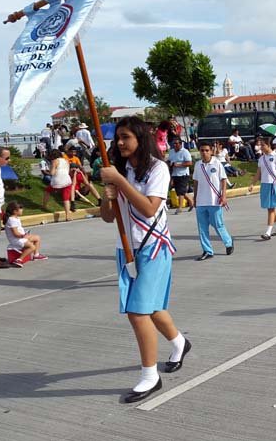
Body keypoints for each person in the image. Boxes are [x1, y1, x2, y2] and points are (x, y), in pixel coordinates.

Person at [99, 116, 190, 404]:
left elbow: (150, 209)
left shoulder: (157, 168)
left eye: (126, 137)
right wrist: (108, 195)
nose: (120, 142)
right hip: (126, 249)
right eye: (118, 137)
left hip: (153, 247)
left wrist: (120, 183)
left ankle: (150, 376)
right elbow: (108, 217)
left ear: (140, 138)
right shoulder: (120, 169)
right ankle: (180, 343)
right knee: (151, 309)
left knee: (138, 312)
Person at [192, 141, 234, 261]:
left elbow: (223, 180)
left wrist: (224, 196)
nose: (204, 153)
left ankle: (228, 242)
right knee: (202, 227)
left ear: (211, 151)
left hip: (214, 200)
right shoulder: (198, 165)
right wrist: (195, 198)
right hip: (201, 201)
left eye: (207, 150)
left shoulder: (217, 163)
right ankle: (207, 250)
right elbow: (196, 182)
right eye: (202, 150)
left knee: (218, 224)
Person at [247, 137, 276, 240]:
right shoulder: (261, 159)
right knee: (271, 207)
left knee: (271, 208)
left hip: (274, 184)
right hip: (265, 185)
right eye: (260, 145)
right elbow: (258, 173)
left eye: (263, 145)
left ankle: (268, 232)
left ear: (269, 145)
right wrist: (252, 184)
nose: (261, 147)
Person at [3, 202, 47, 267]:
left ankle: (36, 255)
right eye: (20, 208)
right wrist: (23, 235)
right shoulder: (12, 220)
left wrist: (25, 235)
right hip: (16, 240)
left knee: (37, 237)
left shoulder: (16, 218)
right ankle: (19, 260)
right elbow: (15, 233)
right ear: (15, 211)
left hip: (20, 238)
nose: (22, 210)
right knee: (32, 247)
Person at [41, 150, 75, 221]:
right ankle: (67, 216)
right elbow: (68, 171)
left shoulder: (54, 161)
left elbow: (52, 173)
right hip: (67, 180)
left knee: (47, 191)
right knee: (66, 198)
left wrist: (50, 170)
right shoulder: (66, 161)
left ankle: (44, 206)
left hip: (57, 181)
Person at [167, 139, 195, 215]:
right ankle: (191, 201)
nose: (175, 145)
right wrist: (168, 164)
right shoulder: (171, 151)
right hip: (174, 174)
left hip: (183, 174)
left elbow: (189, 163)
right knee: (179, 191)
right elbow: (169, 160)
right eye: (174, 143)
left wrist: (179, 165)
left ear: (180, 144)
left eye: (176, 143)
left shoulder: (185, 152)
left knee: (181, 191)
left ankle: (180, 208)